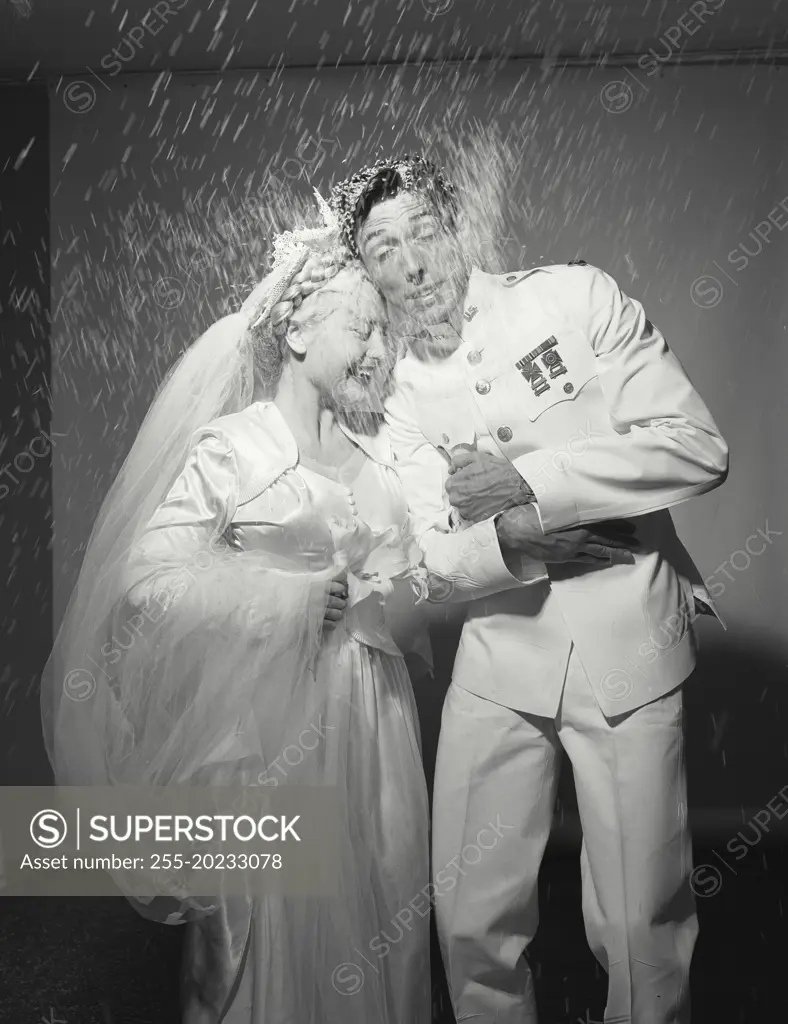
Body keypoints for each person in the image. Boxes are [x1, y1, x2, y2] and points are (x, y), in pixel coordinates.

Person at [328, 156, 729, 1024]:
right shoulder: (394, 395)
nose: (412, 264)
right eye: (382, 248)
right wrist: (512, 537)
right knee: (471, 920)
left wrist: (522, 481)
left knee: (638, 926)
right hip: (498, 661)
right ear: (366, 269)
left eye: (423, 231)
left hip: (632, 647)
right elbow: (431, 557)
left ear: (457, 222)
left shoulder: (575, 298)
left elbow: (695, 448)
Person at [42, 223, 432, 1024]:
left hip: (375, 720)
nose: (376, 350)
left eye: (381, 334)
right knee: (273, 928)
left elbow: (415, 580)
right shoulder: (236, 449)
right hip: (271, 728)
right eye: (360, 328)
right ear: (294, 330)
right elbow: (146, 580)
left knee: (382, 897)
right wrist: (286, 600)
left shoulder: (383, 452)